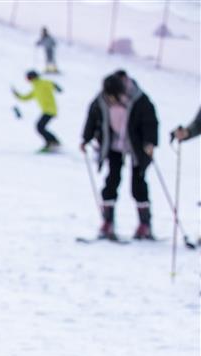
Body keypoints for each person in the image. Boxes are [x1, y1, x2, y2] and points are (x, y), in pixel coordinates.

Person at [81, 70, 159, 240]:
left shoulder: (138, 99)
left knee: (138, 183)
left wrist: (150, 142)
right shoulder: (102, 98)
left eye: (112, 96)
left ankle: (144, 224)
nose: (109, 99)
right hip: (113, 144)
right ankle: (107, 222)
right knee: (112, 180)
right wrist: (85, 139)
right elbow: (92, 117)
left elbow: (150, 121)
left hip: (136, 145)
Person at [12, 70, 62, 151]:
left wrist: (57, 87)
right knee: (40, 127)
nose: (27, 80)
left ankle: (52, 142)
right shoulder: (35, 88)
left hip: (50, 110)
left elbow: (52, 84)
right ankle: (53, 142)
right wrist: (17, 95)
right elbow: (25, 98)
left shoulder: (43, 83)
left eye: (28, 78)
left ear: (32, 77)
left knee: (40, 127)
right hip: (47, 110)